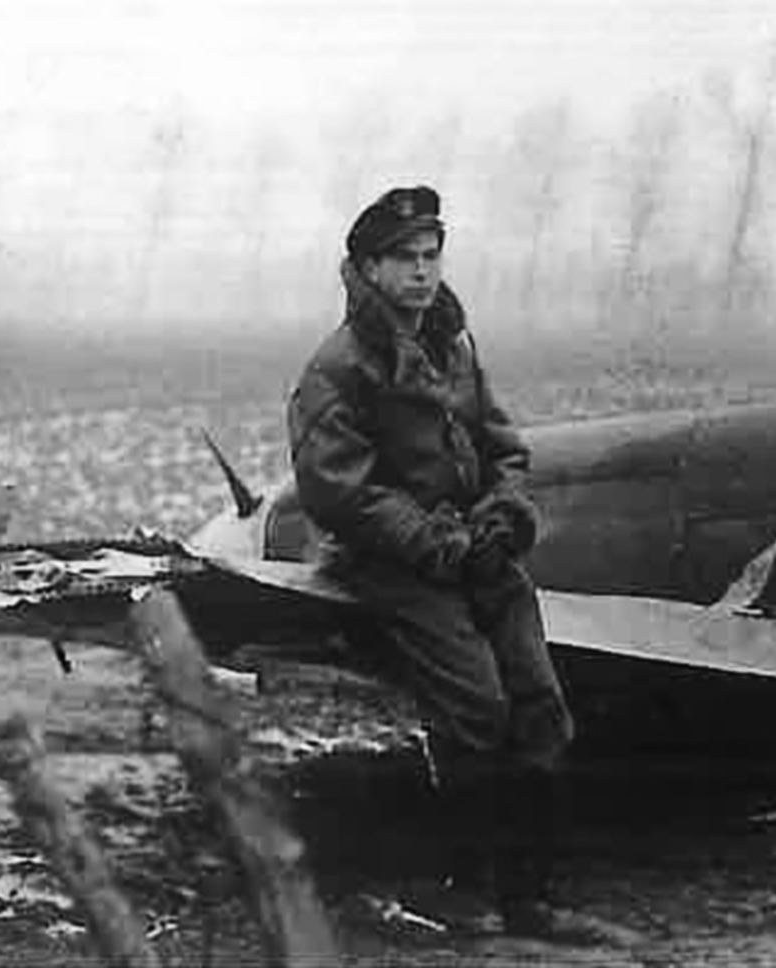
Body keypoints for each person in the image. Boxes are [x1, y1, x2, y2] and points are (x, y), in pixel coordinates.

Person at [287, 186, 629, 945]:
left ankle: (532, 899)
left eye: (431, 255)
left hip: (479, 553)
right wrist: (435, 543)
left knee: (539, 705)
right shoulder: (337, 368)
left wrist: (504, 514)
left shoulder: (454, 347)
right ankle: (464, 891)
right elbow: (340, 491)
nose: (421, 272)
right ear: (366, 269)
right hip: (395, 565)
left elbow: (504, 447)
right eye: (402, 258)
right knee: (477, 709)